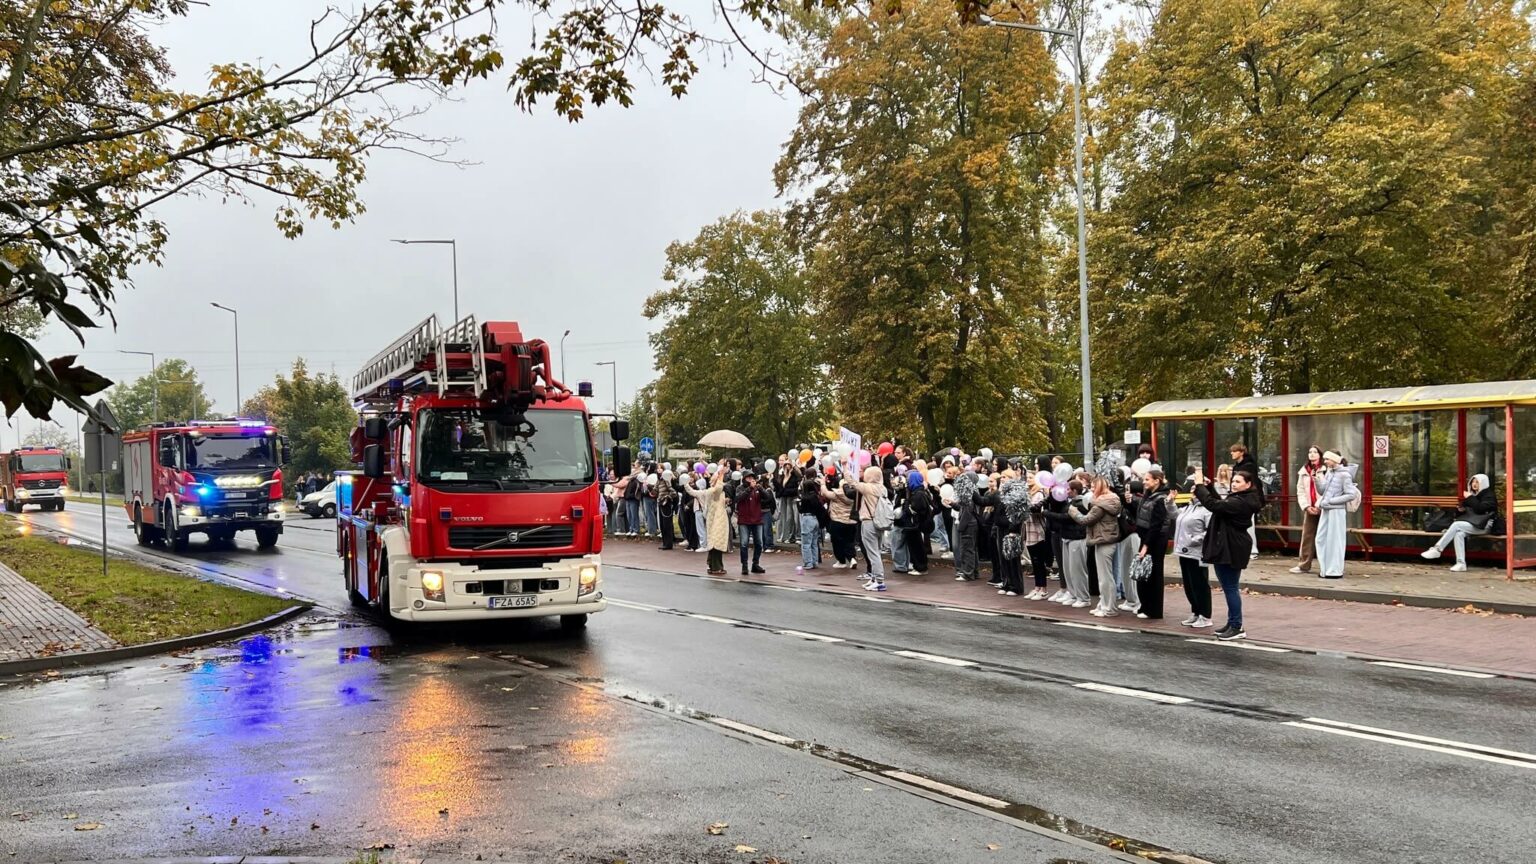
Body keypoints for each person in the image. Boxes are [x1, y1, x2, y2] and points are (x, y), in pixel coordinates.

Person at [1191, 466, 1265, 640]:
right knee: (1228, 587)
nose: (1234, 484)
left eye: (1238, 482)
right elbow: (1220, 505)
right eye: (1233, 481)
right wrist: (1209, 488)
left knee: (1231, 588)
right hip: (1229, 545)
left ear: (1248, 484)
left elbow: (1214, 505)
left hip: (1231, 547)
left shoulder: (1241, 501)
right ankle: (1232, 622)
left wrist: (1200, 486)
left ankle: (1237, 626)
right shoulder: (1239, 498)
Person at [1422, 474, 1498, 572]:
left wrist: (1470, 497)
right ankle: (1461, 563)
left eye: (1477, 482)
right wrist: (1460, 510)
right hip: (1473, 525)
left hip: (1485, 526)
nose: (1474, 484)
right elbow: (1464, 514)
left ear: (1483, 483)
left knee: (1457, 525)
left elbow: (1480, 509)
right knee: (1459, 534)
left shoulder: (1489, 495)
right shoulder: (1473, 495)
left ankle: (1437, 549)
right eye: (1473, 482)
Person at [1072, 475, 1124, 617]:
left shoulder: (1101, 504)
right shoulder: (1111, 500)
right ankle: (1103, 604)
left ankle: (1109, 608)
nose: (1091, 490)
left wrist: (1073, 512)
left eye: (1093, 487)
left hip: (1103, 540)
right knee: (1105, 576)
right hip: (1106, 539)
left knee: (1105, 577)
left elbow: (1085, 520)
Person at [1173, 484, 1213, 628]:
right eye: (1191, 489)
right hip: (1183, 551)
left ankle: (1205, 615)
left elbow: (1210, 530)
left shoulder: (1207, 510)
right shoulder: (1188, 507)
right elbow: (1175, 516)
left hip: (1197, 553)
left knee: (1200, 583)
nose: (1192, 491)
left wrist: (1194, 539)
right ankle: (1196, 611)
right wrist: (1170, 502)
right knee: (1189, 584)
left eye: (1195, 489)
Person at [1132, 469, 1170, 619]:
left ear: (1156, 481)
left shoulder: (1160, 499)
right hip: (1146, 537)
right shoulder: (1148, 495)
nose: (1144, 482)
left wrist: (1146, 545)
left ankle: (1154, 610)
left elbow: (1156, 525)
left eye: (1147, 479)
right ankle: (1145, 606)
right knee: (1144, 574)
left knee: (1153, 574)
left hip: (1155, 540)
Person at [845, 466, 889, 591]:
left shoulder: (868, 488)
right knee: (876, 551)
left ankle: (879, 581)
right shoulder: (883, 488)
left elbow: (851, 481)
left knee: (872, 553)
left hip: (868, 521)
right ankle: (874, 578)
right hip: (879, 521)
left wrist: (845, 467)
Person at [1315, 450, 1356, 579]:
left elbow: (1351, 494)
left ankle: (1334, 571)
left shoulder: (1345, 475)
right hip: (1326, 509)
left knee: (1335, 540)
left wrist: (1331, 501)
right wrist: (1317, 481)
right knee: (1321, 539)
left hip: (1336, 511)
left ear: (1335, 460)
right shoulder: (1329, 472)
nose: (1325, 461)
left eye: (1327, 459)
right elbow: (1323, 491)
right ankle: (1325, 569)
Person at [685, 470, 730, 575]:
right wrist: (721, 475)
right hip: (717, 519)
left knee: (714, 542)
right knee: (716, 543)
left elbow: (693, 492)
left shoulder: (709, 491)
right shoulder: (713, 491)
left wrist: (685, 484)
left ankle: (711, 565)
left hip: (714, 519)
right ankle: (716, 567)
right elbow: (718, 489)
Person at [1290, 445, 1324, 574]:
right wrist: (1306, 506)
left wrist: (1319, 505)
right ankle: (1304, 565)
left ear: (1320, 455)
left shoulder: (1325, 470)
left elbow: (1328, 489)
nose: (1312, 454)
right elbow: (1300, 490)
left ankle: (1326, 566)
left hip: (1324, 507)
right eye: (1310, 452)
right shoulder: (1304, 471)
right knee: (1307, 536)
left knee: (1325, 537)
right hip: (1310, 508)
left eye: (1315, 452)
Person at [734, 472, 770, 575]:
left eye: (752, 478)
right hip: (744, 520)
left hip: (757, 519)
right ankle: (744, 565)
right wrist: (749, 488)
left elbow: (768, 498)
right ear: (744, 479)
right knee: (744, 543)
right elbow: (738, 498)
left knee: (759, 543)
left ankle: (755, 564)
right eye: (748, 478)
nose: (751, 480)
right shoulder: (740, 488)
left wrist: (761, 489)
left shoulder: (758, 488)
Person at [823, 468, 859, 569]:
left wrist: (822, 483)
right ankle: (852, 558)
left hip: (838, 520)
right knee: (849, 541)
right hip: (851, 521)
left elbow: (825, 493)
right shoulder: (856, 494)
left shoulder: (837, 494)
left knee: (837, 541)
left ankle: (841, 561)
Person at [1230, 443, 1260, 560]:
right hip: (1237, 497)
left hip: (1247, 498)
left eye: (1234, 451)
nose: (1232, 453)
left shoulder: (1249, 466)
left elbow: (1253, 483)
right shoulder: (1236, 467)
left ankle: (1252, 550)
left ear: (1241, 452)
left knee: (1249, 525)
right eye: (1232, 451)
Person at [952, 468, 982, 581]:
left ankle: (968, 573)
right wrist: (953, 504)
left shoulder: (969, 493)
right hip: (972, 523)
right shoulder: (973, 491)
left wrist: (961, 527)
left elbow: (967, 511)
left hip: (969, 524)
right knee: (972, 549)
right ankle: (974, 572)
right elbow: (963, 508)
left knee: (967, 549)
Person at [903, 470, 933, 575]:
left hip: (916, 525)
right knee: (917, 546)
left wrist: (906, 503)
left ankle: (920, 567)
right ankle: (919, 566)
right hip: (919, 524)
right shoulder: (921, 492)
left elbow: (912, 510)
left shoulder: (917, 495)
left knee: (917, 546)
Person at [798, 467, 827, 569]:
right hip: (815, 518)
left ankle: (808, 563)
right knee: (814, 542)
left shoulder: (805, 498)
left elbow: (801, 510)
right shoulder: (816, 496)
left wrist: (798, 504)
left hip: (807, 518)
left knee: (806, 542)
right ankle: (815, 561)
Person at [775, 459, 800, 547]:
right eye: (785, 465)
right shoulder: (783, 476)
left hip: (793, 498)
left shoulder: (794, 475)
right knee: (787, 518)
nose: (787, 466)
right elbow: (779, 486)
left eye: (789, 465)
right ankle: (788, 536)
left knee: (794, 518)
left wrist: (794, 467)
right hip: (786, 499)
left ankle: (795, 536)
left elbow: (798, 481)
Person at [656, 472, 679, 550]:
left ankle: (669, 544)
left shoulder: (666, 481)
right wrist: (648, 487)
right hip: (660, 504)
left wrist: (667, 497)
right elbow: (655, 491)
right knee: (662, 525)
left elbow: (673, 492)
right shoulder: (658, 481)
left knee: (667, 524)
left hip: (666, 505)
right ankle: (665, 543)